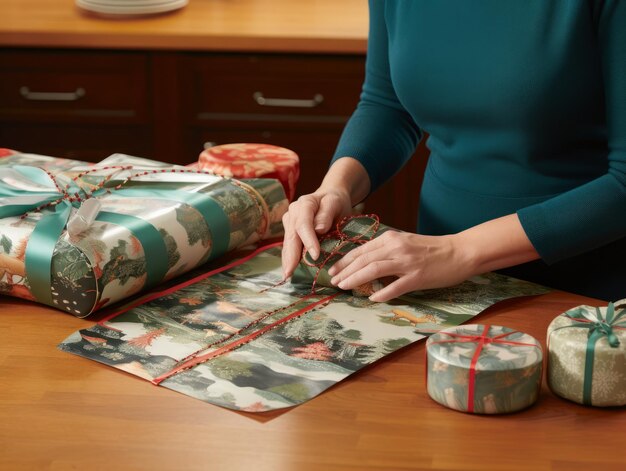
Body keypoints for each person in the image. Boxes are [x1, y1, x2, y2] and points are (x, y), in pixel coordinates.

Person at [282, 0, 626, 302]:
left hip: (582, 288)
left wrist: (461, 250)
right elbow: (388, 105)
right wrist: (337, 188)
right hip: (437, 280)